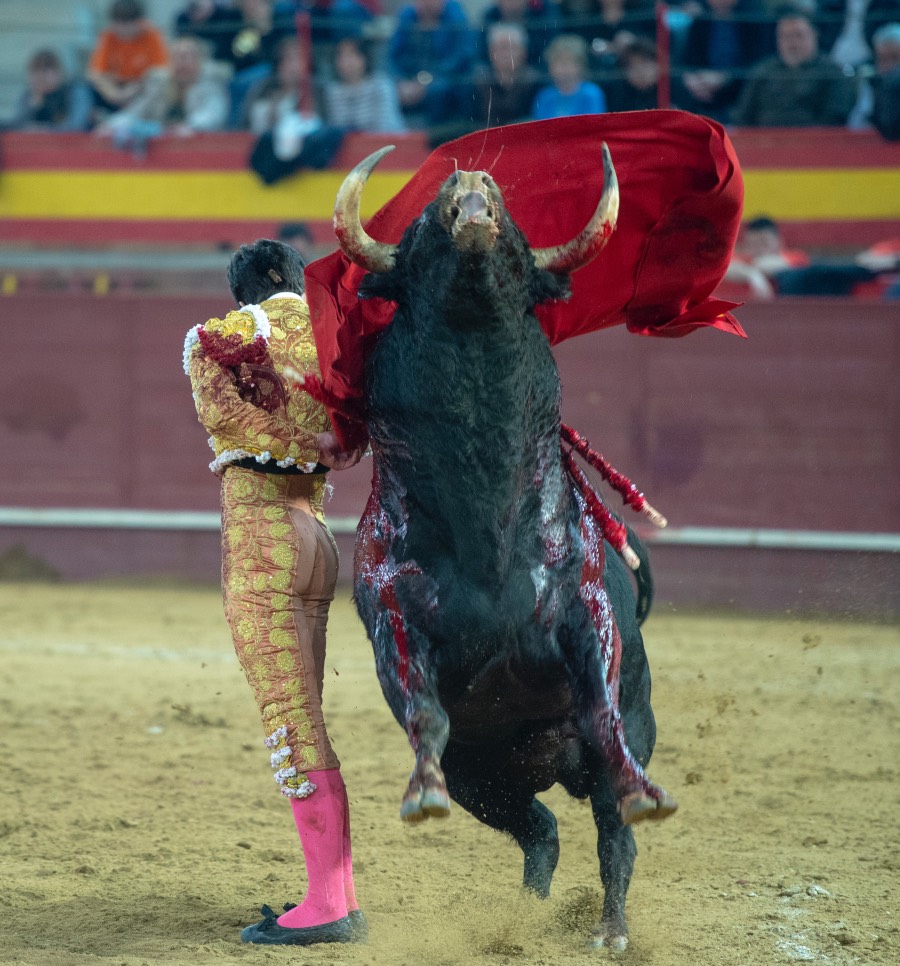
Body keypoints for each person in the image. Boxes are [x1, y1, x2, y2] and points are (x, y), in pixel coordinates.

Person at [184, 238, 366, 946]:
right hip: (317, 537)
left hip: (266, 542)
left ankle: (326, 906)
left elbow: (226, 419)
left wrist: (297, 443)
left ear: (248, 288)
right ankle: (337, 894)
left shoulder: (226, 336)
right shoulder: (337, 338)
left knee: (293, 721)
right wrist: (328, 444)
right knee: (308, 717)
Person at [731, 7, 857, 126]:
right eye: (785, 36)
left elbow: (835, 120)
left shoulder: (832, 73)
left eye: (798, 35)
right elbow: (742, 117)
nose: (792, 43)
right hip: (764, 139)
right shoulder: (763, 71)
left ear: (814, 35)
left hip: (813, 139)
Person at [97, 36, 229, 146]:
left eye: (186, 57)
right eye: (176, 57)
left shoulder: (211, 83)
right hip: (162, 149)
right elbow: (136, 112)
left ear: (199, 60)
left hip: (203, 147)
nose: (181, 63)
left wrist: (191, 127)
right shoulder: (160, 85)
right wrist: (110, 125)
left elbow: (213, 115)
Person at [674, 0, 773, 123]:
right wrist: (691, 78)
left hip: (739, 88)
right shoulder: (701, 20)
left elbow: (757, 62)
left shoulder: (752, 18)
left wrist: (725, 78)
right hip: (703, 89)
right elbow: (687, 59)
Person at [388, 0, 477, 128]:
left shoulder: (455, 16)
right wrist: (400, 81)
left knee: (439, 90)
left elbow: (461, 58)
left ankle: (434, 134)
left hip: (444, 77)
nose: (427, 4)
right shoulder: (407, 16)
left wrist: (424, 82)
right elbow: (392, 56)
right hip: (409, 78)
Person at [87, 0, 169, 116]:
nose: (124, 30)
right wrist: (113, 93)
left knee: (158, 80)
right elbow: (96, 73)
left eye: (128, 24)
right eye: (119, 24)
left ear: (140, 22)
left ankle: (132, 117)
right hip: (115, 89)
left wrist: (133, 90)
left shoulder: (152, 35)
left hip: (141, 89)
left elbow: (160, 71)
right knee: (84, 88)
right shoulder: (108, 36)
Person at [322, 35, 407, 133]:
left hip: (385, 140)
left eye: (352, 54)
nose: (346, 61)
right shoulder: (332, 91)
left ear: (365, 57)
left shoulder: (381, 85)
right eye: (341, 55)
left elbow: (387, 126)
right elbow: (335, 128)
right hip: (348, 142)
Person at [3, 49, 93, 132]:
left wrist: (43, 130)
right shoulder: (28, 95)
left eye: (46, 69)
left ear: (60, 72)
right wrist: (31, 107)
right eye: (36, 70)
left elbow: (77, 126)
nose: (40, 75)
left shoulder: (75, 91)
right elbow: (16, 125)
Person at [532, 33, 607, 118]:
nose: (562, 69)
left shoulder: (591, 93)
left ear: (581, 65)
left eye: (567, 63)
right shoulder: (545, 95)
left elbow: (595, 122)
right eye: (557, 63)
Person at [478, 0, 560, 71]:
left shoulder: (544, 14)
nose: (512, 2)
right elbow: (480, 54)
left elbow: (552, 50)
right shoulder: (489, 17)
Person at [604, 36, 659, 111]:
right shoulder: (616, 94)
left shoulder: (670, 89)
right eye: (633, 67)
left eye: (644, 65)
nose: (640, 72)